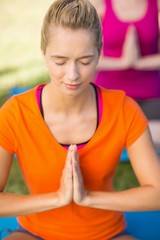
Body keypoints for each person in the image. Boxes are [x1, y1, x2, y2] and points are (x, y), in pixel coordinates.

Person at [0, 0, 160, 239]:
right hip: (35, 233)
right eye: (60, 61)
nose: (73, 75)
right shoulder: (15, 113)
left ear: (99, 53)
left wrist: (88, 198)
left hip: (107, 233)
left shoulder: (124, 109)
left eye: (85, 61)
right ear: (43, 53)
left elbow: (157, 194)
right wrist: (56, 199)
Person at [90, 0, 160, 150]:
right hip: (110, 93)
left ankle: (122, 136)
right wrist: (124, 62)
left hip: (151, 93)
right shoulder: (99, 5)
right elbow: (87, 56)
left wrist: (139, 62)